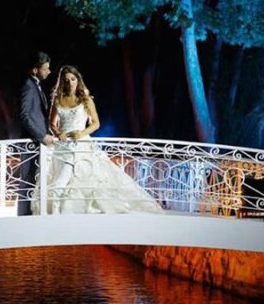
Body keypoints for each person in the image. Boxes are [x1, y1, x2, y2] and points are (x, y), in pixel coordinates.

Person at [31, 65, 163, 214]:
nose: (70, 83)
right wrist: (58, 132)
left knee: (83, 177)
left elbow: (96, 123)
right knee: (62, 178)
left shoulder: (85, 99)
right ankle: (58, 212)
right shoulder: (58, 99)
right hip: (63, 146)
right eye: (66, 80)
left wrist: (81, 134)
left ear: (78, 79)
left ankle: (77, 211)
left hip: (81, 143)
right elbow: (52, 123)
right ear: (62, 82)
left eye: (72, 79)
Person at [18, 51, 55, 216]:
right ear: (35, 70)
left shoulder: (36, 85)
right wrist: (42, 135)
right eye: (45, 68)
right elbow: (25, 116)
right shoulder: (28, 85)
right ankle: (23, 217)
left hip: (36, 141)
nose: (48, 71)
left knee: (34, 179)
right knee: (27, 180)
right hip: (30, 142)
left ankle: (30, 215)